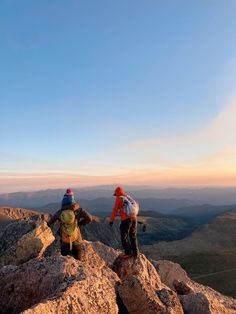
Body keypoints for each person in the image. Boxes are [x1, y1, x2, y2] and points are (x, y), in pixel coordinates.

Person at [48, 188, 92, 260]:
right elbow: (89, 218)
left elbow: (51, 220)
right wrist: (79, 224)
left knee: (64, 264)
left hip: (65, 243)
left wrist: (46, 226)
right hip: (77, 243)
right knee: (78, 266)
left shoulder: (61, 211)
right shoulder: (79, 210)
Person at [109, 186, 139, 257]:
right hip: (134, 219)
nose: (116, 196)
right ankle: (136, 252)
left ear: (117, 193)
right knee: (133, 236)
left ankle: (128, 252)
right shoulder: (128, 197)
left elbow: (115, 210)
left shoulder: (119, 199)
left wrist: (111, 220)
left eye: (115, 195)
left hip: (126, 220)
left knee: (124, 236)